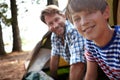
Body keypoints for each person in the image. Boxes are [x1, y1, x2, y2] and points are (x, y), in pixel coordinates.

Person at [68, 0, 120, 80]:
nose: (83, 22)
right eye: (77, 18)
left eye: (89, 13)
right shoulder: (90, 43)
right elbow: (90, 75)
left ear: (106, 12)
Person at [40, 5, 86, 80]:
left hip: (94, 69)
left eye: (57, 19)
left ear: (64, 16)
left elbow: (78, 64)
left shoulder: (73, 30)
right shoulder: (55, 35)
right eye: (50, 23)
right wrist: (52, 78)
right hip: (81, 71)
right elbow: (54, 58)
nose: (55, 25)